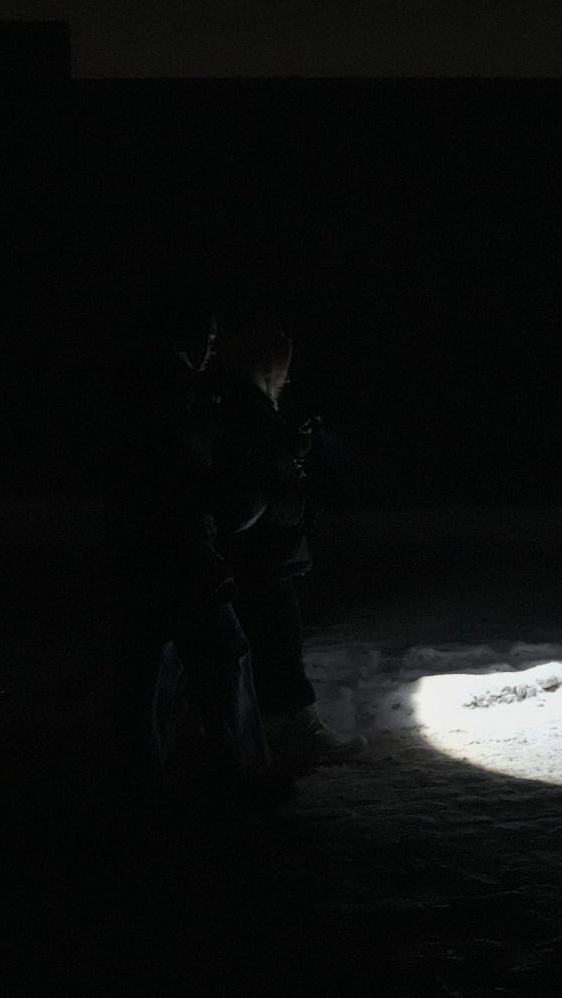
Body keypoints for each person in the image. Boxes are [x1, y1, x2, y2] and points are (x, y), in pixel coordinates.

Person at [102, 296, 272, 812]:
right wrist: (243, 491)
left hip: (134, 555)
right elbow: (194, 482)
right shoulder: (181, 394)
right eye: (211, 339)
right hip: (179, 555)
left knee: (144, 679)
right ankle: (244, 780)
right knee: (224, 659)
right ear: (191, 338)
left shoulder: (126, 389)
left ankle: (141, 784)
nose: (213, 350)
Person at [206, 319, 367, 773]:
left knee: (267, 643)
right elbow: (264, 492)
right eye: (282, 366)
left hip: (254, 555)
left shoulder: (232, 404)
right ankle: (293, 736)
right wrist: (289, 460)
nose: (288, 377)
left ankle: (271, 736)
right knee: (278, 639)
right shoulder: (250, 410)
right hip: (264, 556)